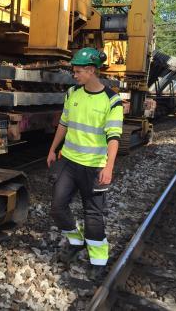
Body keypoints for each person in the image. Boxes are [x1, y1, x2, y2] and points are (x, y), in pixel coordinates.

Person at [47, 47, 123, 279]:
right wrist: (52, 149)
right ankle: (76, 241)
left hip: (95, 167)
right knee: (57, 207)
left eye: (78, 71)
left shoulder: (112, 101)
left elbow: (114, 137)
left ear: (91, 71)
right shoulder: (72, 93)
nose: (74, 75)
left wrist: (109, 167)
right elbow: (64, 123)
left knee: (93, 215)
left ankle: (98, 260)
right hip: (69, 162)